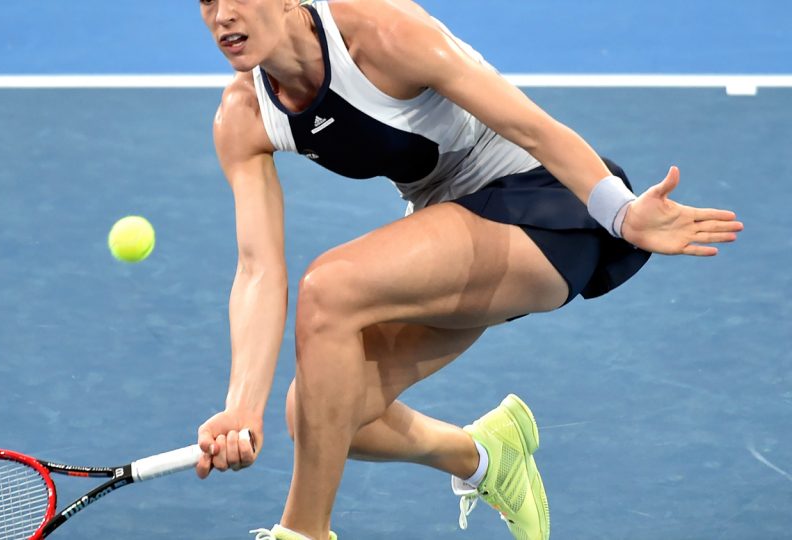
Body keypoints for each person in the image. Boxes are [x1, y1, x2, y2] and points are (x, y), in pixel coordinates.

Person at [192, 1, 743, 539]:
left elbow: (532, 127)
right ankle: (484, 457)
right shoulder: (243, 115)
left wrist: (620, 213)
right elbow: (258, 268)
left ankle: (303, 531)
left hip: (540, 203)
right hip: (448, 227)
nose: (222, 15)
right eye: (206, 0)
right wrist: (242, 407)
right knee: (319, 415)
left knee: (330, 288)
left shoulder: (382, 31)